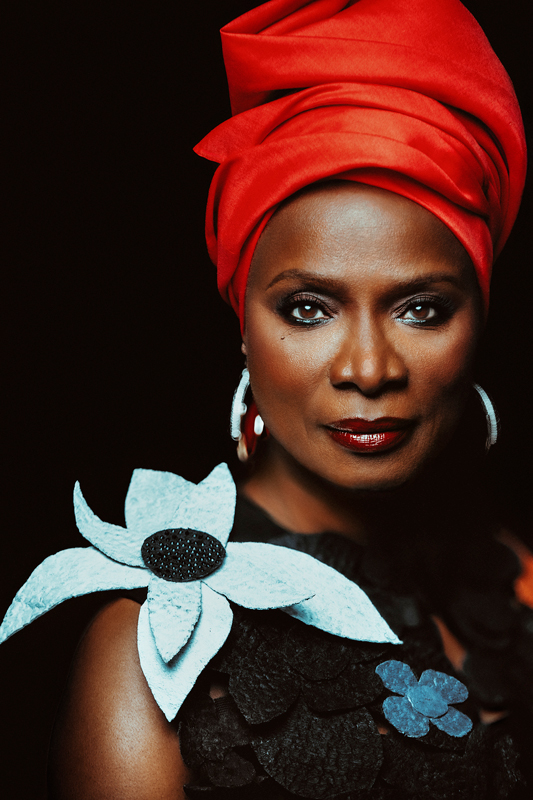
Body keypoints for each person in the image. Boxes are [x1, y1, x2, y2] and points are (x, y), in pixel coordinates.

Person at [1, 0, 531, 798]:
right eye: (307, 309)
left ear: (479, 318)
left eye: (420, 308)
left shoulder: (518, 585)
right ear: (241, 321)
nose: (366, 366)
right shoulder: (150, 650)